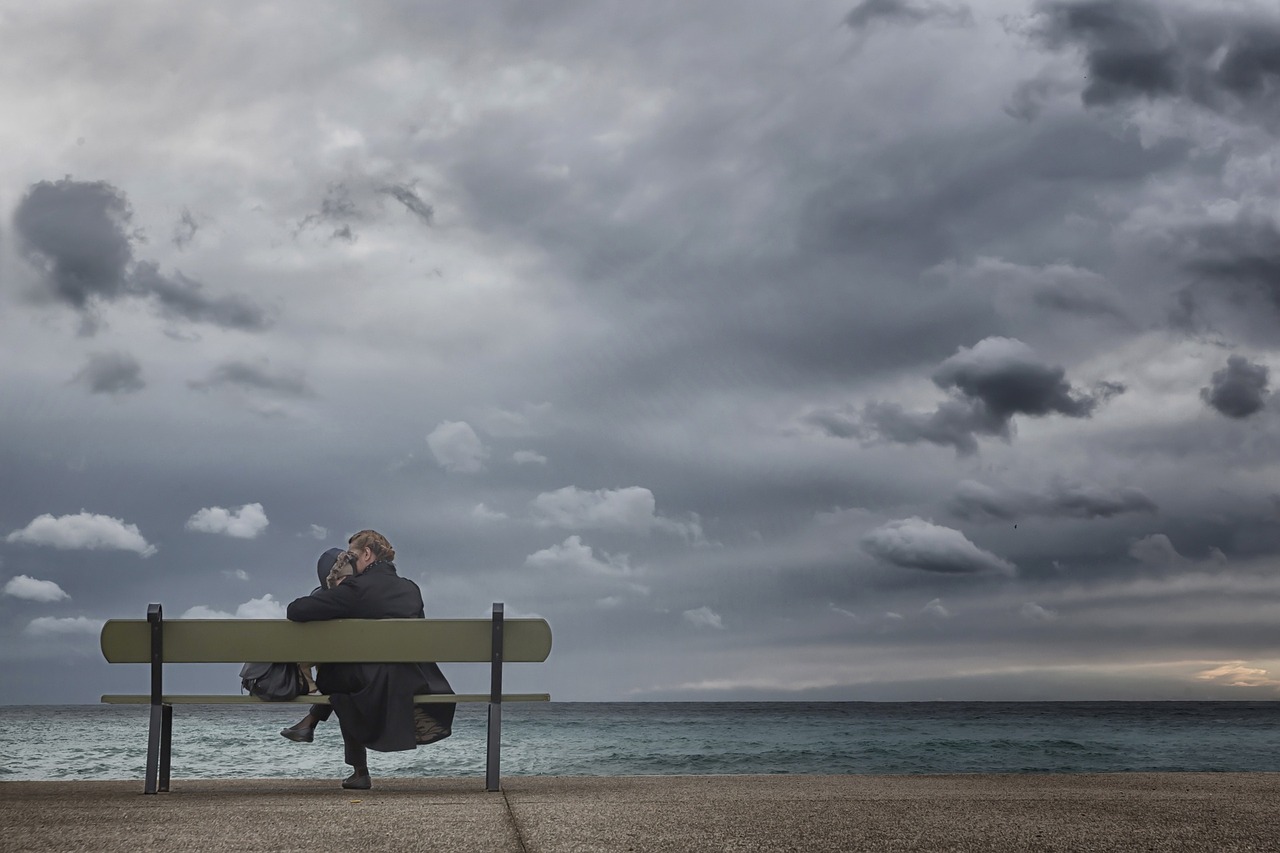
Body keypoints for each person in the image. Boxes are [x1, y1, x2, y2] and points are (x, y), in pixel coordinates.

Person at [284, 530, 456, 790]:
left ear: (366, 554)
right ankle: (314, 729)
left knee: (335, 678)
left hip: (370, 683)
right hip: (410, 678)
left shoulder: (355, 590)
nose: (348, 561)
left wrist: (327, 591)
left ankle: (353, 765)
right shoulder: (410, 588)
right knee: (344, 680)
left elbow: (296, 610)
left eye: (351, 555)